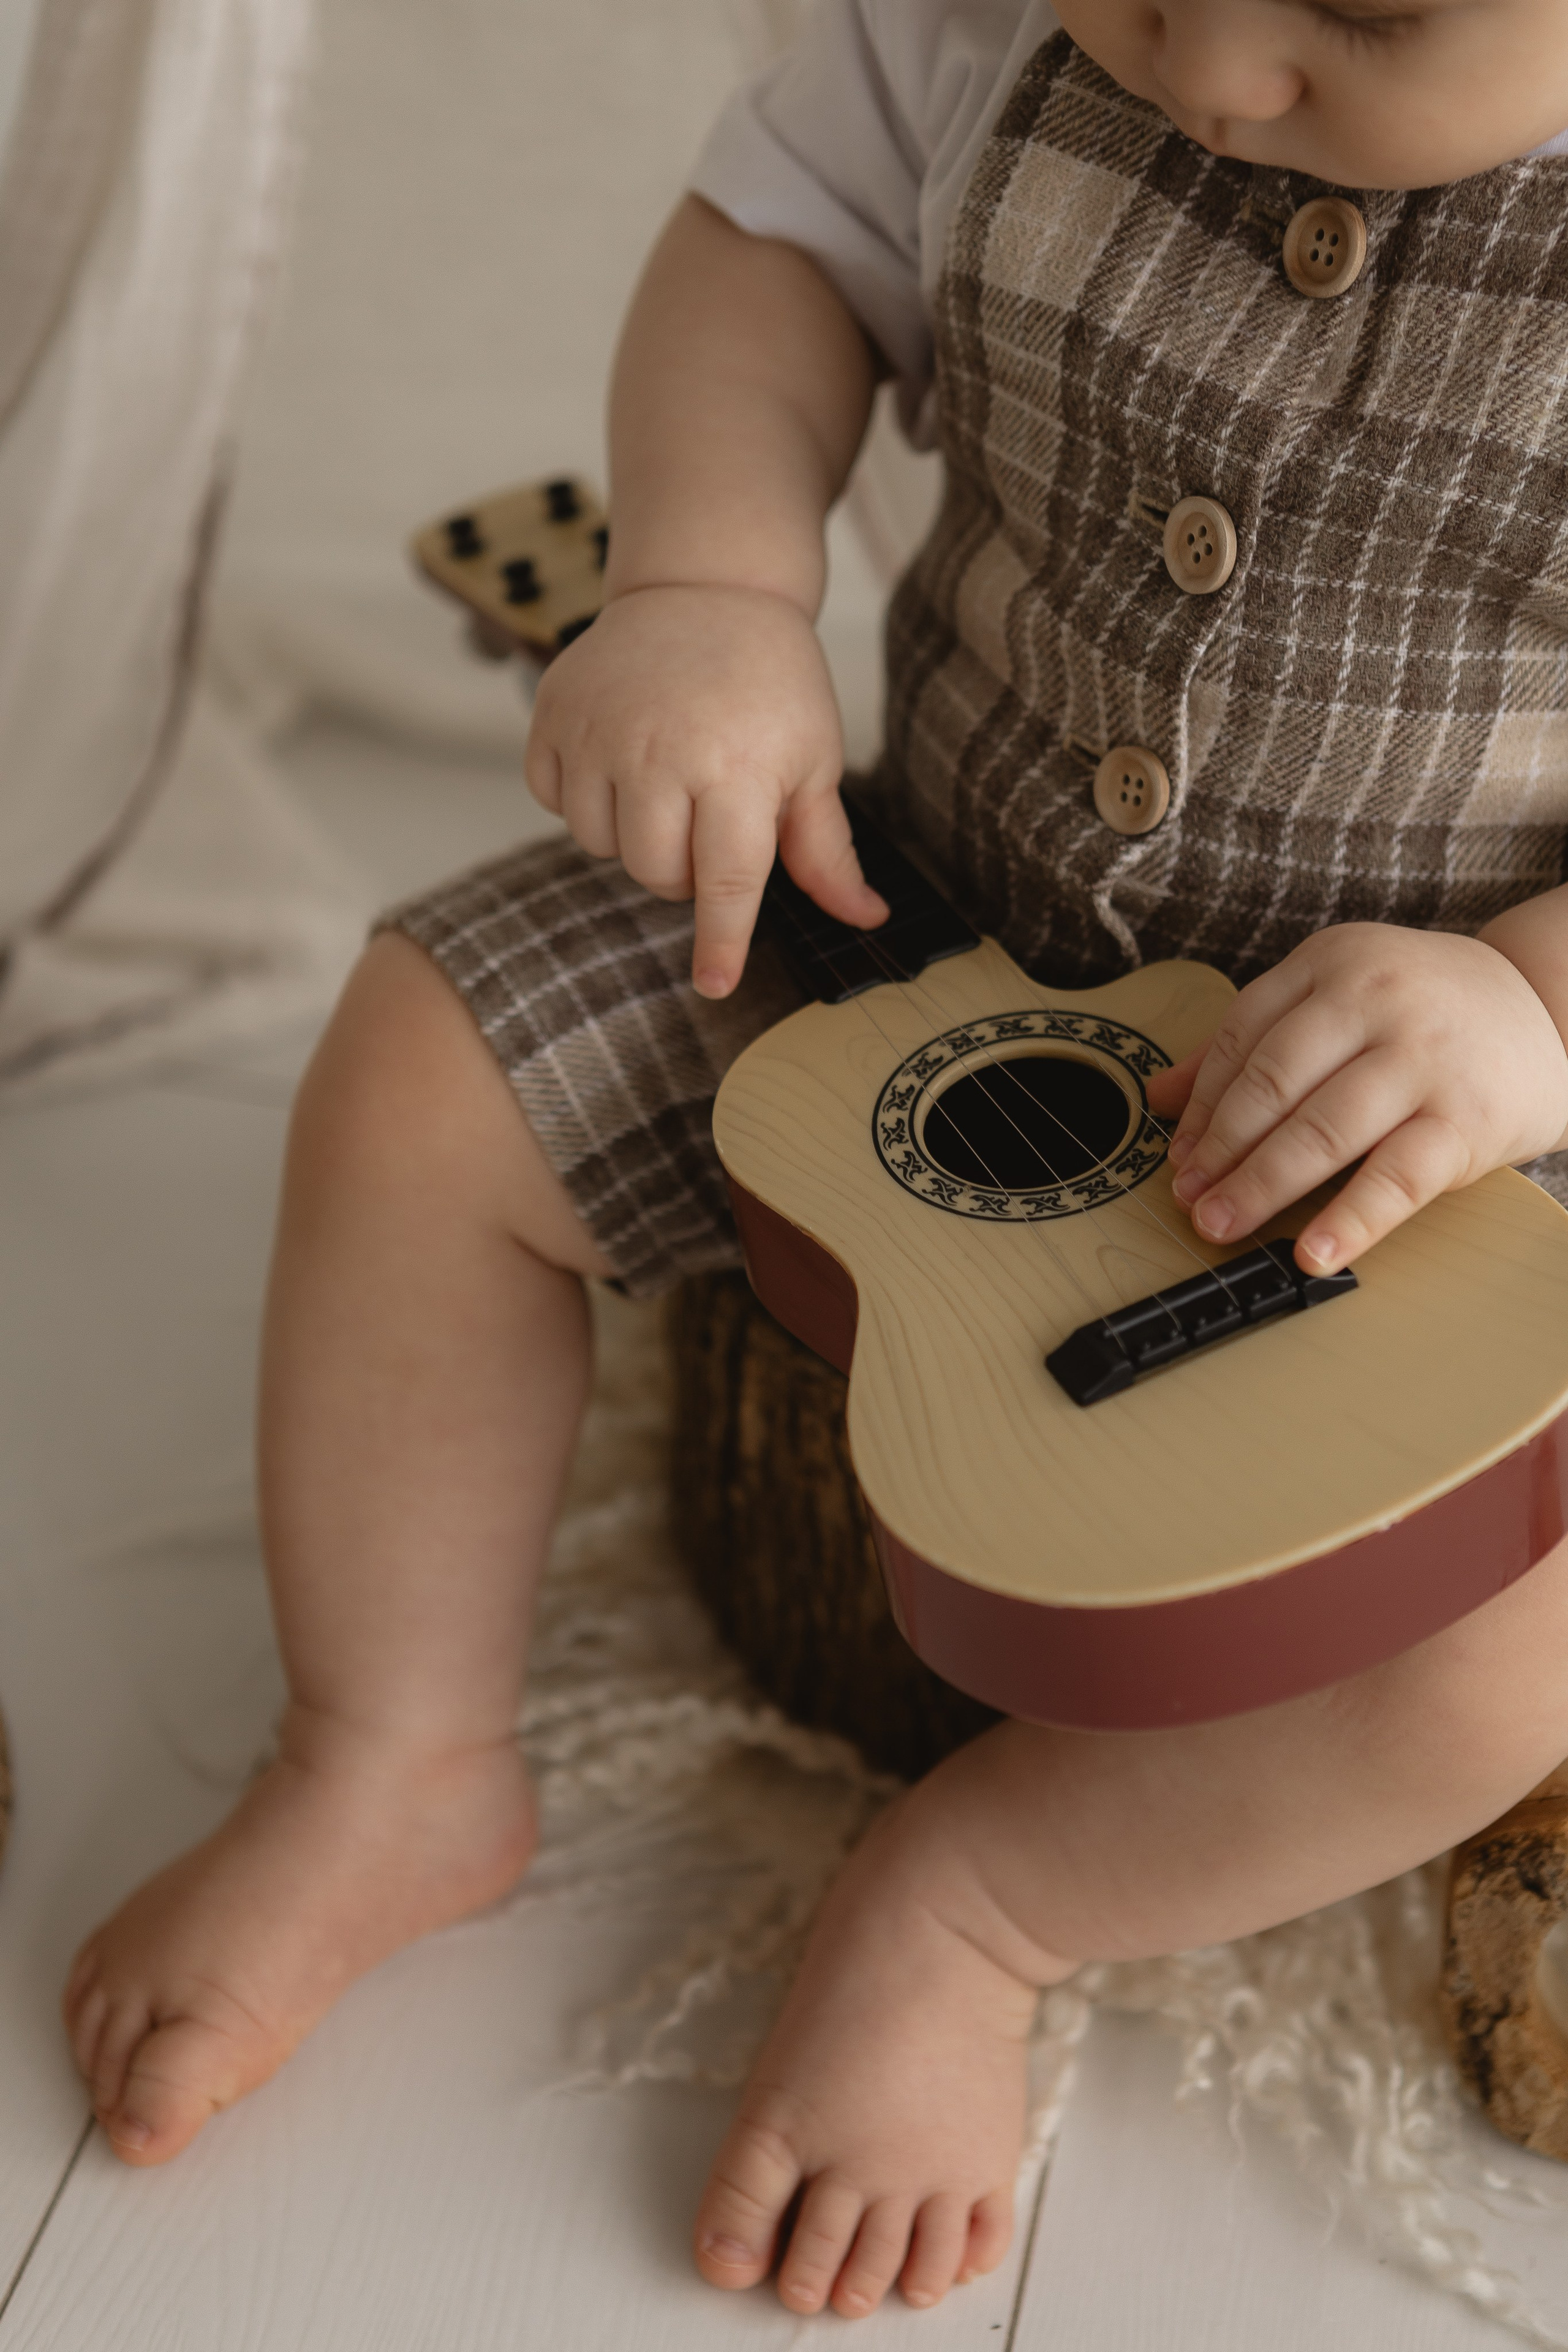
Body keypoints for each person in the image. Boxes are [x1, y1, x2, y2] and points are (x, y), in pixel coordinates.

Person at [62, 0, 1568, 2321]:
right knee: (415, 1066)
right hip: (925, 921)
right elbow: (768, 258)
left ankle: (985, 1904)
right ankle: (393, 1755)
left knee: (1504, 1641)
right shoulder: (974, 34)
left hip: (1399, 1156)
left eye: (1365, 12)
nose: (1218, 68)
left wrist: (1529, 1007)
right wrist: (711, 592)